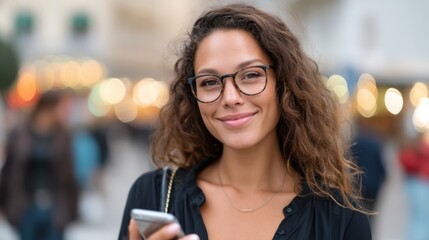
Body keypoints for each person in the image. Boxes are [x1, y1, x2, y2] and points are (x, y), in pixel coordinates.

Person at [119, 4, 371, 240]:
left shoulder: (339, 217)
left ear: (283, 84)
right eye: (209, 82)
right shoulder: (153, 195)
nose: (230, 97)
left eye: (250, 75)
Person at [0, 91, 79, 240]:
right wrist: (3, 203)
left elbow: (69, 175)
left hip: (55, 206)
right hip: (25, 205)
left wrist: (72, 210)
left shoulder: (62, 136)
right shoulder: (20, 133)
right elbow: (9, 170)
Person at [399, 131, 429, 240]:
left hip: (420, 183)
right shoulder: (415, 149)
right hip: (418, 183)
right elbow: (406, 162)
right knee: (420, 215)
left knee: (423, 216)